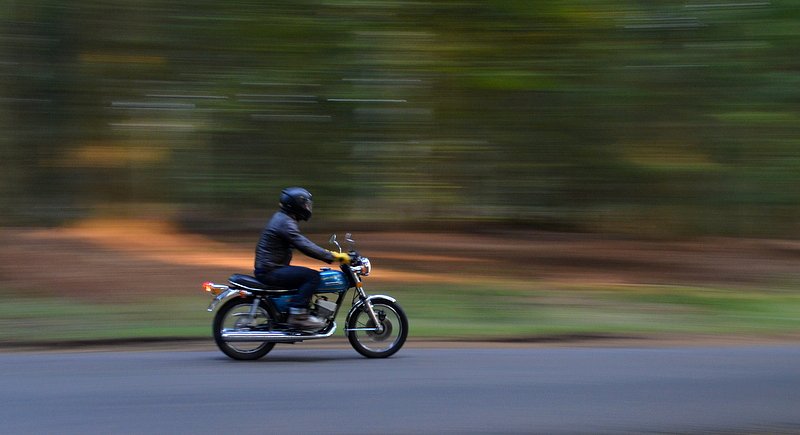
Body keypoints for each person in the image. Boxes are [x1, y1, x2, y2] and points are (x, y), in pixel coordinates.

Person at [254, 187, 350, 330]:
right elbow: (304, 245)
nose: (307, 208)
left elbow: (302, 243)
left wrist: (329, 255)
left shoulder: (283, 219)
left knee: (304, 276)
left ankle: (298, 310)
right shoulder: (285, 222)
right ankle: (298, 316)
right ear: (295, 205)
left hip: (271, 268)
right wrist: (333, 256)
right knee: (312, 276)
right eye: (305, 204)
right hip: (271, 271)